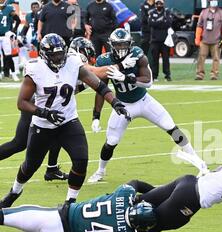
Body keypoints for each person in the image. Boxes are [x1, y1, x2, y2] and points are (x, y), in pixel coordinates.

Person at [0, 33, 131, 209]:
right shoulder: (35, 69)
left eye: (60, 53)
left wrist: (115, 102)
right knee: (30, 166)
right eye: (53, 54)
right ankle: (14, 192)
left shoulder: (72, 63)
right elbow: (21, 102)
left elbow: (98, 84)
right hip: (43, 124)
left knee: (81, 160)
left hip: (68, 121)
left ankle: (70, 204)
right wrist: (45, 113)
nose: (58, 57)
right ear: (44, 54)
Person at [87, 28, 208, 183]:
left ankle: (199, 162)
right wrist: (96, 116)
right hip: (123, 105)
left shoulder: (137, 55)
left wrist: (126, 78)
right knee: (111, 142)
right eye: (118, 45)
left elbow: (148, 81)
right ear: (112, 45)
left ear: (130, 44)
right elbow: (101, 90)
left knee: (172, 128)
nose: (121, 48)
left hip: (144, 101)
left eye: (124, 45)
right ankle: (100, 171)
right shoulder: (105, 61)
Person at [0, 184, 156, 232]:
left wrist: (156, 192)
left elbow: (135, 183)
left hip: (55, 217)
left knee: (3, 216)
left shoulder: (124, 194)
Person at [194, 0, 222, 81]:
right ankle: (200, 74)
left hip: (217, 41)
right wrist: (197, 38)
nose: (214, 2)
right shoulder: (203, 12)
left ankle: (214, 75)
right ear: (209, 2)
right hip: (204, 40)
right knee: (201, 57)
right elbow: (199, 26)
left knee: (216, 58)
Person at [148, 0, 172, 81]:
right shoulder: (152, 12)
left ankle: (167, 75)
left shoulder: (166, 12)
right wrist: (161, 21)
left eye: (160, 3)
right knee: (154, 59)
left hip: (165, 40)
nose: (159, 5)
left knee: (166, 59)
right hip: (155, 40)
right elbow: (151, 23)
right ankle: (154, 76)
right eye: (157, 3)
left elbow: (168, 23)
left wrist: (157, 22)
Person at [0, 0, 20, 81]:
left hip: (5, 36)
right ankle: (1, 74)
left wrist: (13, 30)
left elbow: (17, 20)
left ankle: (14, 73)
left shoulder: (9, 8)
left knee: (8, 56)